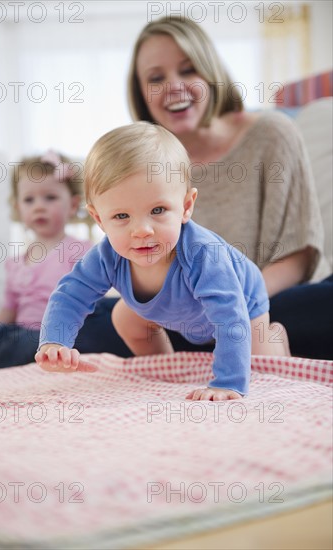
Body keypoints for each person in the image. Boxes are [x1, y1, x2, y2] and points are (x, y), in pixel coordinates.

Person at [125, 16, 333, 359]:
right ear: (142, 94)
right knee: (103, 318)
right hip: (192, 319)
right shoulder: (147, 168)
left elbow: (299, 254)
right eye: (156, 78)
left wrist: (232, 305)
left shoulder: (272, 132)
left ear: (210, 73)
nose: (174, 86)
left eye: (188, 70)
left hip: (276, 298)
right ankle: (5, 343)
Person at [35, 122, 290, 401]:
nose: (142, 230)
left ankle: (274, 336)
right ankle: (165, 367)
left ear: (186, 206)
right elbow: (71, 294)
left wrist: (227, 383)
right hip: (179, 310)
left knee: (262, 364)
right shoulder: (106, 257)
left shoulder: (204, 255)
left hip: (243, 306)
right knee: (123, 316)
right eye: (121, 216)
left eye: (158, 210)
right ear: (99, 219)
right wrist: (55, 342)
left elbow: (231, 317)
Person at [0, 151, 93, 372]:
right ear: (18, 209)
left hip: (52, 336)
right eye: (29, 200)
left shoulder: (80, 251)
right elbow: (7, 312)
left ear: (72, 205)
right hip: (15, 328)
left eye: (50, 197)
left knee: (24, 345)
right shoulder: (15, 262)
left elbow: (90, 303)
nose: (39, 206)